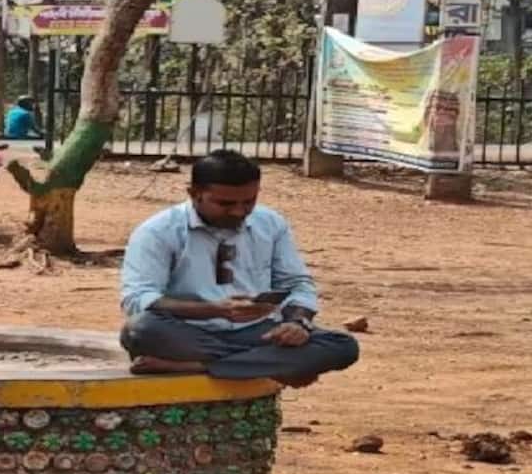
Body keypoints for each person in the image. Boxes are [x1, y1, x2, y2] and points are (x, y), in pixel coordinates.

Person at [118, 149, 359, 388]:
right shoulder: (158, 231)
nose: (238, 211)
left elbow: (296, 284)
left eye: (249, 202)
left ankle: (201, 366)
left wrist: (297, 324)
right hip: (189, 333)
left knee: (343, 346)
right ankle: (270, 364)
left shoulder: (271, 223)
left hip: (259, 332)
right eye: (225, 203)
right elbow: (138, 299)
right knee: (140, 329)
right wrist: (213, 310)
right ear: (194, 194)